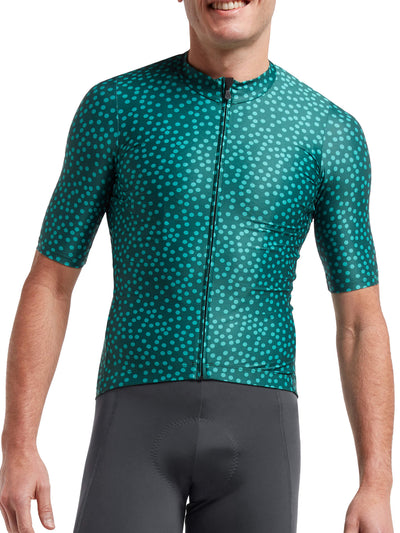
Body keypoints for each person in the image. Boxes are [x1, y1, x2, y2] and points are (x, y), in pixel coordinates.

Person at [0, 0, 395, 531]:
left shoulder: (328, 132)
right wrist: (18, 445)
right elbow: (50, 283)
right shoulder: (116, 108)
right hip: (134, 417)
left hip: (260, 430)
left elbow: (360, 321)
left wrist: (377, 482)